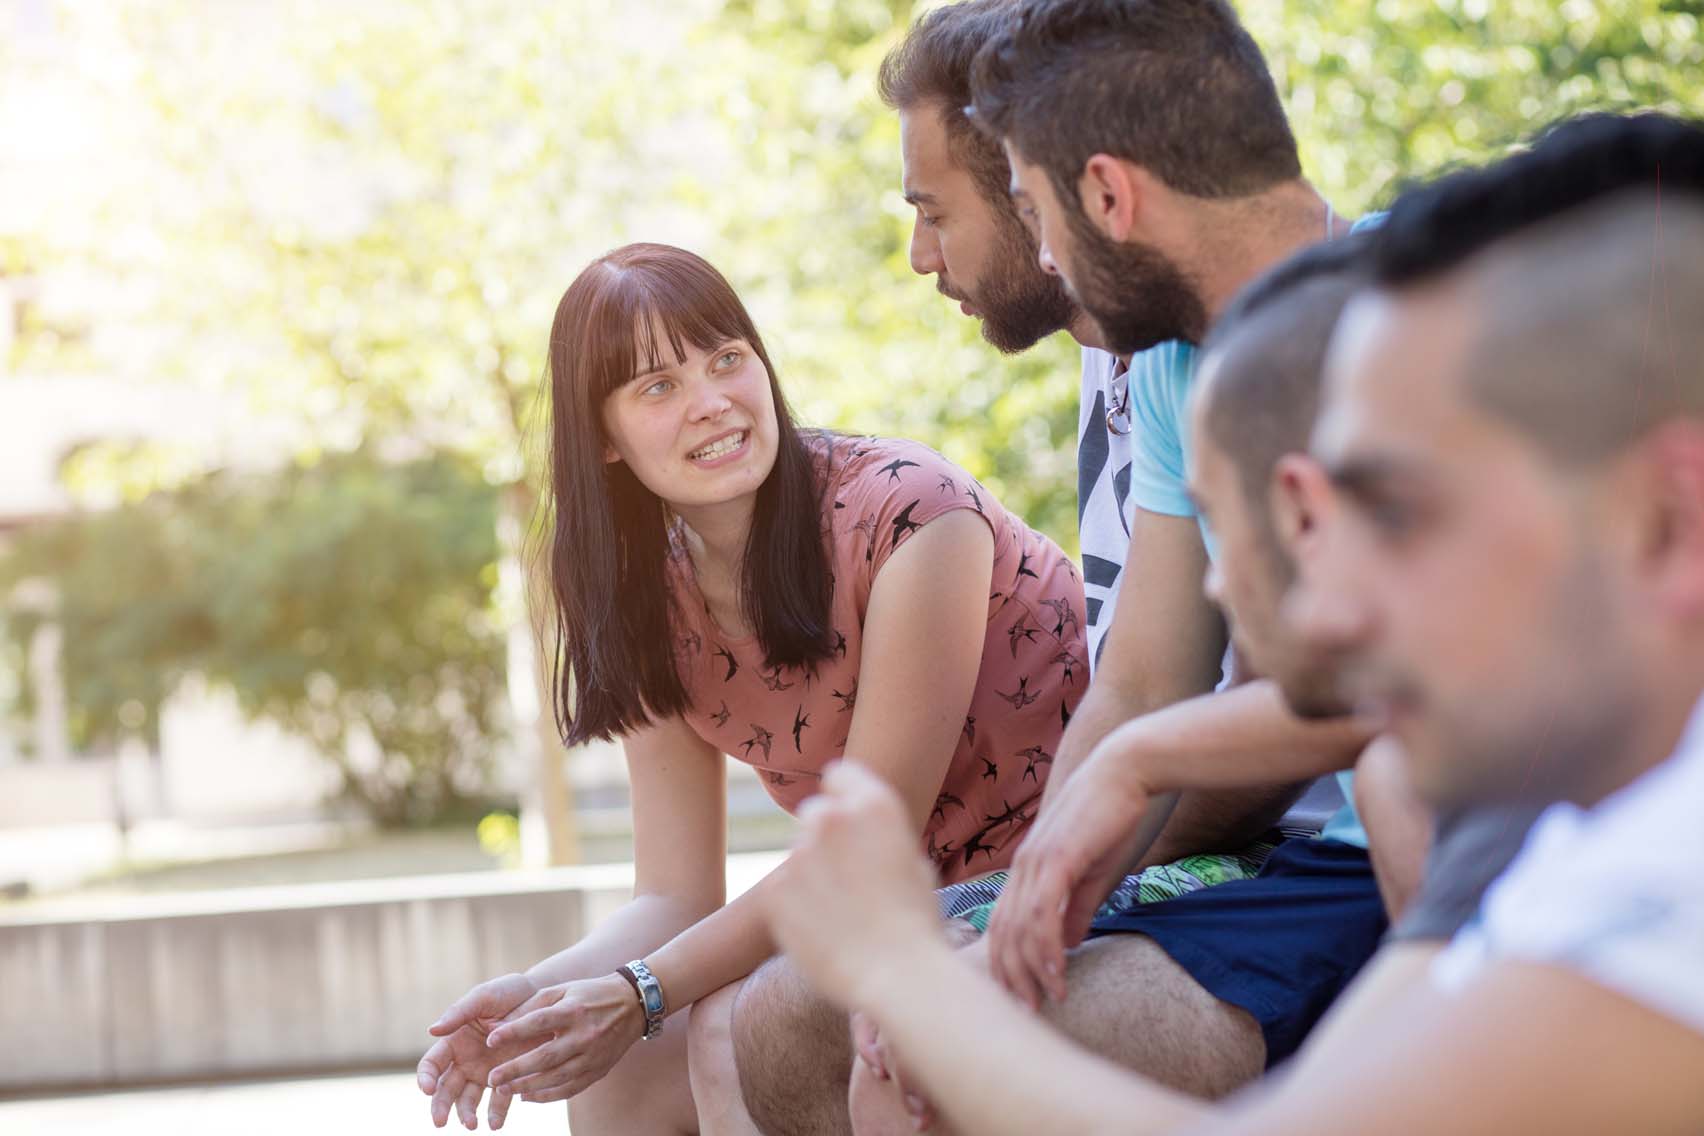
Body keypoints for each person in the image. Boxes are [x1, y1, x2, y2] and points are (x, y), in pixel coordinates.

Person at [765, 111, 1704, 1134]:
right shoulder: (1575, 819)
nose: (1329, 605)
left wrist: (902, 968)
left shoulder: (1665, 884)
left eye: (1398, 509)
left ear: (1665, 521)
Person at [411, 243, 1087, 1134]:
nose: (712, 402)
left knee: (725, 1025)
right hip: (880, 910)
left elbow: (865, 847)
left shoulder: (912, 515)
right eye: (657, 387)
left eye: (727, 359)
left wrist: (640, 991)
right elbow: (674, 894)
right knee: (609, 1071)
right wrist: (538, 998)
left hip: (1065, 863)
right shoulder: (644, 595)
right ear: (604, 440)